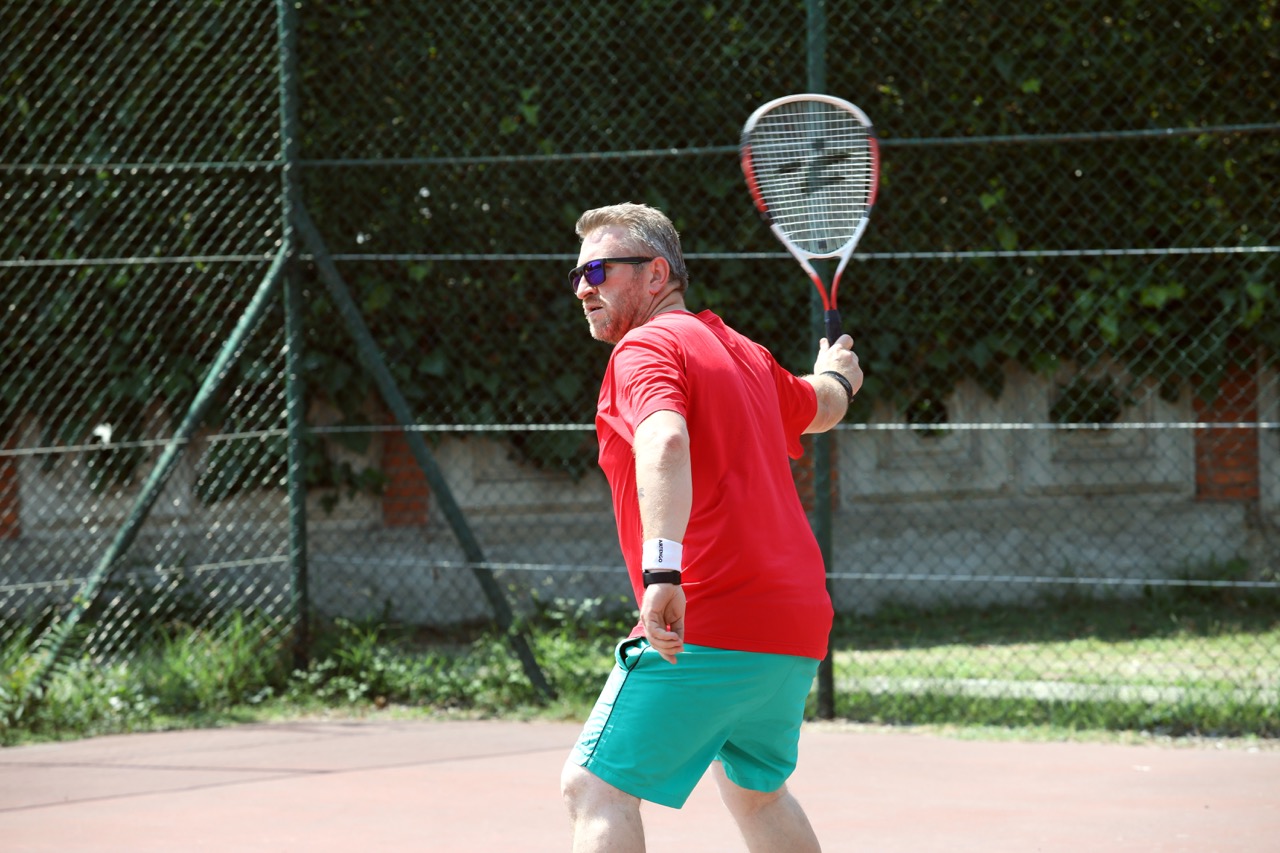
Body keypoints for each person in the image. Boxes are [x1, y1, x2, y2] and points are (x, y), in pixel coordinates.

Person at [560, 202, 862, 853]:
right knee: (757, 793)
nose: (583, 285)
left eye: (599, 268)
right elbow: (821, 404)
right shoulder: (746, 354)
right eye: (578, 272)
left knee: (594, 787)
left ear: (655, 273)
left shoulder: (644, 349)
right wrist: (838, 374)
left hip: (711, 614)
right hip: (795, 622)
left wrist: (663, 571)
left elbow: (664, 442)